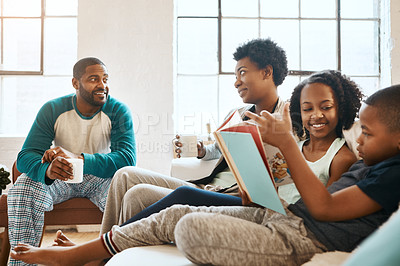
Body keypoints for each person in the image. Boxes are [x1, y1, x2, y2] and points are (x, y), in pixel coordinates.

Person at [10, 85, 400, 265]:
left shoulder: (385, 172)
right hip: (281, 213)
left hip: (300, 234)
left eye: (367, 133)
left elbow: (324, 206)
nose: (359, 139)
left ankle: (84, 255)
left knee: (190, 226)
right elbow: (300, 197)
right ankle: (84, 254)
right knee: (173, 213)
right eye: (360, 130)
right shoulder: (373, 163)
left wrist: (284, 148)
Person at [100, 38, 289, 234]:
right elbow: (218, 150)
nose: (236, 82)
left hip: (238, 195)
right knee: (124, 174)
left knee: (137, 195)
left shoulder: (287, 120)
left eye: (242, 72)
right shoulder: (237, 114)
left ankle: (105, 252)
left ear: (267, 72)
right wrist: (202, 151)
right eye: (235, 75)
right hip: (209, 186)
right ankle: (103, 251)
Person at [7, 57, 136, 265]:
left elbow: (126, 158)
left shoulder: (118, 111)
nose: (102, 85)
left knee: (131, 194)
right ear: (76, 83)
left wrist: (79, 158)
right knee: (22, 188)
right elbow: (25, 156)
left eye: (105, 79)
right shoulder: (53, 109)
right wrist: (48, 171)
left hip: (101, 179)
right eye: (94, 79)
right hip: (61, 178)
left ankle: (117, 262)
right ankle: (22, 262)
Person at [278, 70, 362, 204]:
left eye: (326, 107)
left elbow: (324, 206)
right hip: (271, 212)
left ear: (341, 109)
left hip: (298, 220)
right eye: (307, 109)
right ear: (299, 112)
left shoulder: (341, 159)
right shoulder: (293, 148)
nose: (316, 115)